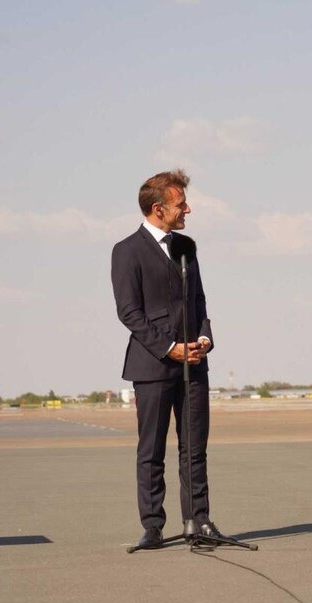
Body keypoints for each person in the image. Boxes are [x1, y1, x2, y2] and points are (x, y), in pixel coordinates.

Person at [111, 169, 224, 548]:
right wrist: (169, 347)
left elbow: (200, 300)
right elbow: (129, 313)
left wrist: (204, 337)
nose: (187, 209)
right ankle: (153, 527)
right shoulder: (126, 251)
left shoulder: (187, 246)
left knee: (194, 449)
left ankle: (199, 521)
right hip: (153, 365)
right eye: (181, 204)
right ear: (158, 208)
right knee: (152, 450)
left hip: (195, 364)